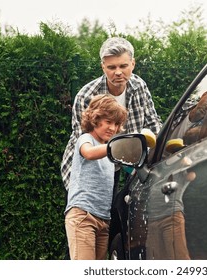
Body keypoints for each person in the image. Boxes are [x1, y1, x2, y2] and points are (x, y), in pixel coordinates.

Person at [61, 37, 162, 191]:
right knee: (96, 210)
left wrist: (162, 148)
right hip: (95, 166)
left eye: (123, 66)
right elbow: (83, 139)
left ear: (133, 64)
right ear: (103, 67)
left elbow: (152, 123)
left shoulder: (139, 86)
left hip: (132, 157)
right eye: (111, 67)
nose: (118, 72)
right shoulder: (87, 95)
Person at [64, 94, 127, 260]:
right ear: (94, 118)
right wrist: (116, 147)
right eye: (108, 122)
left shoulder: (109, 152)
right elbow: (89, 153)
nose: (113, 128)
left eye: (116, 124)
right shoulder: (86, 139)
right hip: (83, 215)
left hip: (103, 220)